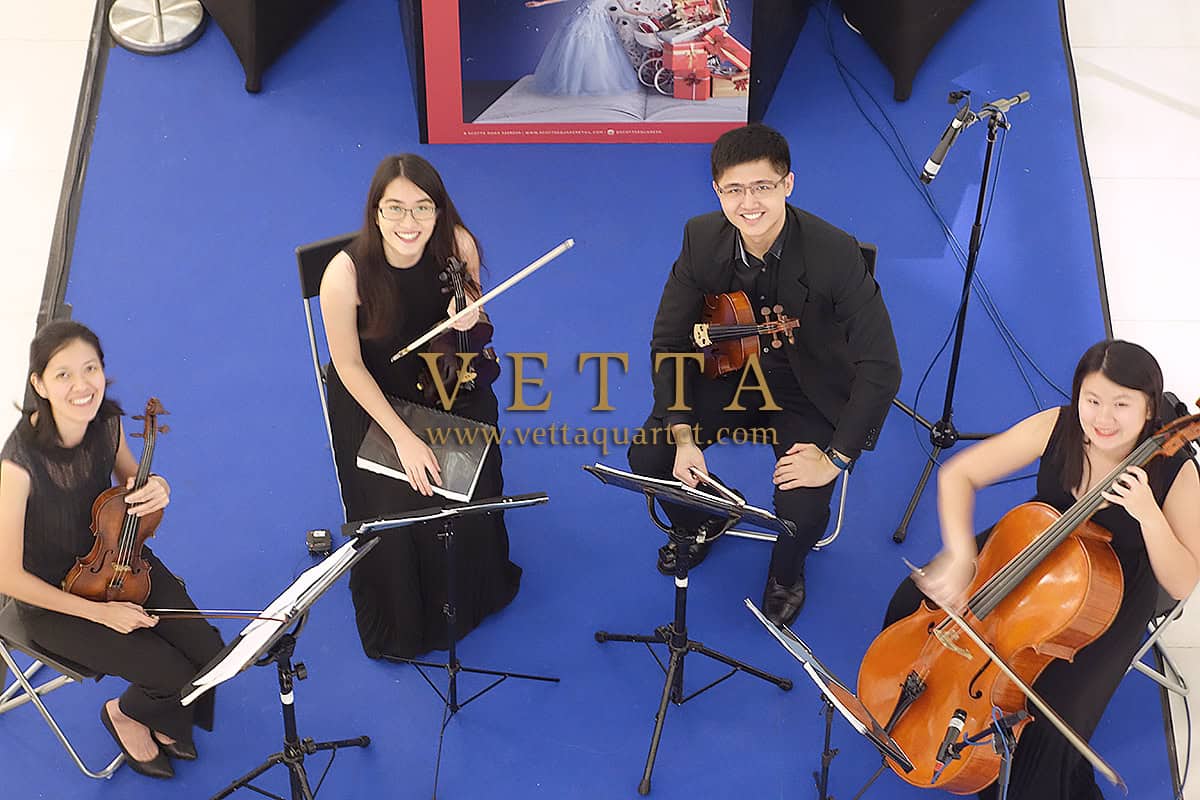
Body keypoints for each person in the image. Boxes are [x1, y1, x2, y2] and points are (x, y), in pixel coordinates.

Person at [884, 339, 1200, 799]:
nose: (1103, 419)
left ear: (1149, 408)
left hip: (1113, 588)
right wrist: (959, 556)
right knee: (910, 605)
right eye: (1092, 401)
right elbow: (959, 474)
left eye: (1121, 404)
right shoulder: (1061, 425)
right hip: (1034, 540)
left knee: (1047, 726)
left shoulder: (1176, 471)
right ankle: (941, 714)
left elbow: (1183, 579)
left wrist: (1149, 514)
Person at [627, 123, 902, 627]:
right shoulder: (700, 238)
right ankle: (706, 520)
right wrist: (684, 436)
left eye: (762, 187)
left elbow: (882, 365)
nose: (748, 203)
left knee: (801, 504)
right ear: (717, 191)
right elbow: (668, 341)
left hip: (806, 390)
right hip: (729, 376)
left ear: (788, 185)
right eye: (734, 189)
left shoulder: (835, 253)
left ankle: (786, 572)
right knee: (651, 454)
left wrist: (836, 457)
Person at [0, 321, 224, 779]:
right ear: (38, 382)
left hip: (116, 557)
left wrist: (157, 487)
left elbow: (128, 487)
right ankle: (124, 713)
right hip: (52, 600)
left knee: (210, 655)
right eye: (63, 375)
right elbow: (7, 577)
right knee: (173, 673)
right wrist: (101, 614)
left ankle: (149, 710)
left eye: (90, 369)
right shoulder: (16, 468)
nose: (82, 385)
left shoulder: (106, 423)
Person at [319, 153, 521, 660]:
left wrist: (466, 319)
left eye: (422, 208)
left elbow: (475, 322)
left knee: (476, 470)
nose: (409, 223)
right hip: (374, 392)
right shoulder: (344, 275)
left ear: (439, 210)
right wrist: (403, 437)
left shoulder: (458, 246)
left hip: (443, 373)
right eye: (395, 209)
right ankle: (407, 620)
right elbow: (348, 367)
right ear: (375, 212)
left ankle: (476, 591)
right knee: (400, 498)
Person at [526, 0, 641, 96]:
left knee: (598, 53)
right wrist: (541, 3)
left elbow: (626, 8)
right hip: (583, 19)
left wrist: (648, 14)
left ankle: (591, 84)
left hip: (599, 21)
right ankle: (573, 84)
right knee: (577, 49)